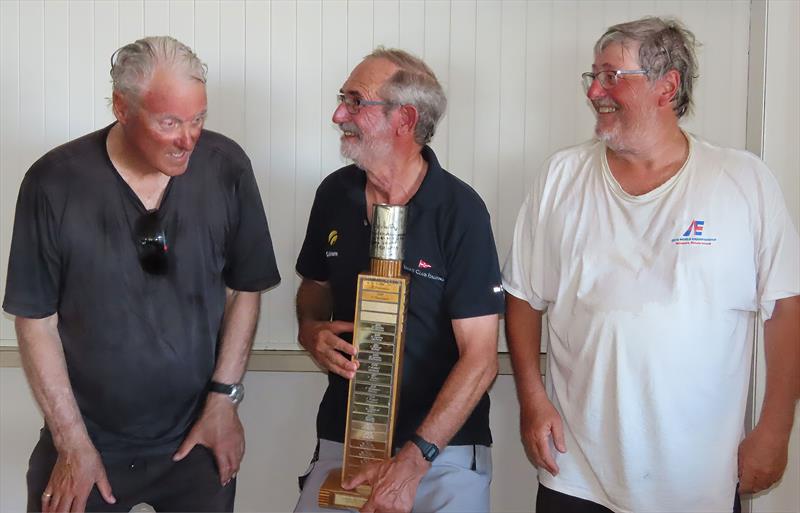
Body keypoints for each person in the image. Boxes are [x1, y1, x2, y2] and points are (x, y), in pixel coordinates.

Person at [503, 16, 799, 513]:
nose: (595, 90)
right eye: (592, 76)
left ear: (668, 86)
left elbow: (786, 311)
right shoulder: (561, 176)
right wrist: (533, 402)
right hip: (577, 473)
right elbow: (522, 296)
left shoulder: (743, 180)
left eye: (612, 75)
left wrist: (774, 429)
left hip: (697, 477)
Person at [3, 36, 280, 513]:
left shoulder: (226, 167)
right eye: (169, 122)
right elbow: (36, 321)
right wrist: (72, 443)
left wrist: (223, 401)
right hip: (86, 439)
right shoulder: (53, 182)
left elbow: (244, 291)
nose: (188, 138)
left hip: (196, 434)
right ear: (122, 107)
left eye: (198, 120)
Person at [293, 47, 504, 513]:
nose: (338, 114)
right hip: (346, 439)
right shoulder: (334, 194)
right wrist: (310, 330)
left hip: (441, 450)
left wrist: (413, 461)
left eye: (354, 102)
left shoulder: (461, 212)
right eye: (341, 98)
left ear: (405, 118)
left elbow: (481, 359)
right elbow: (314, 286)